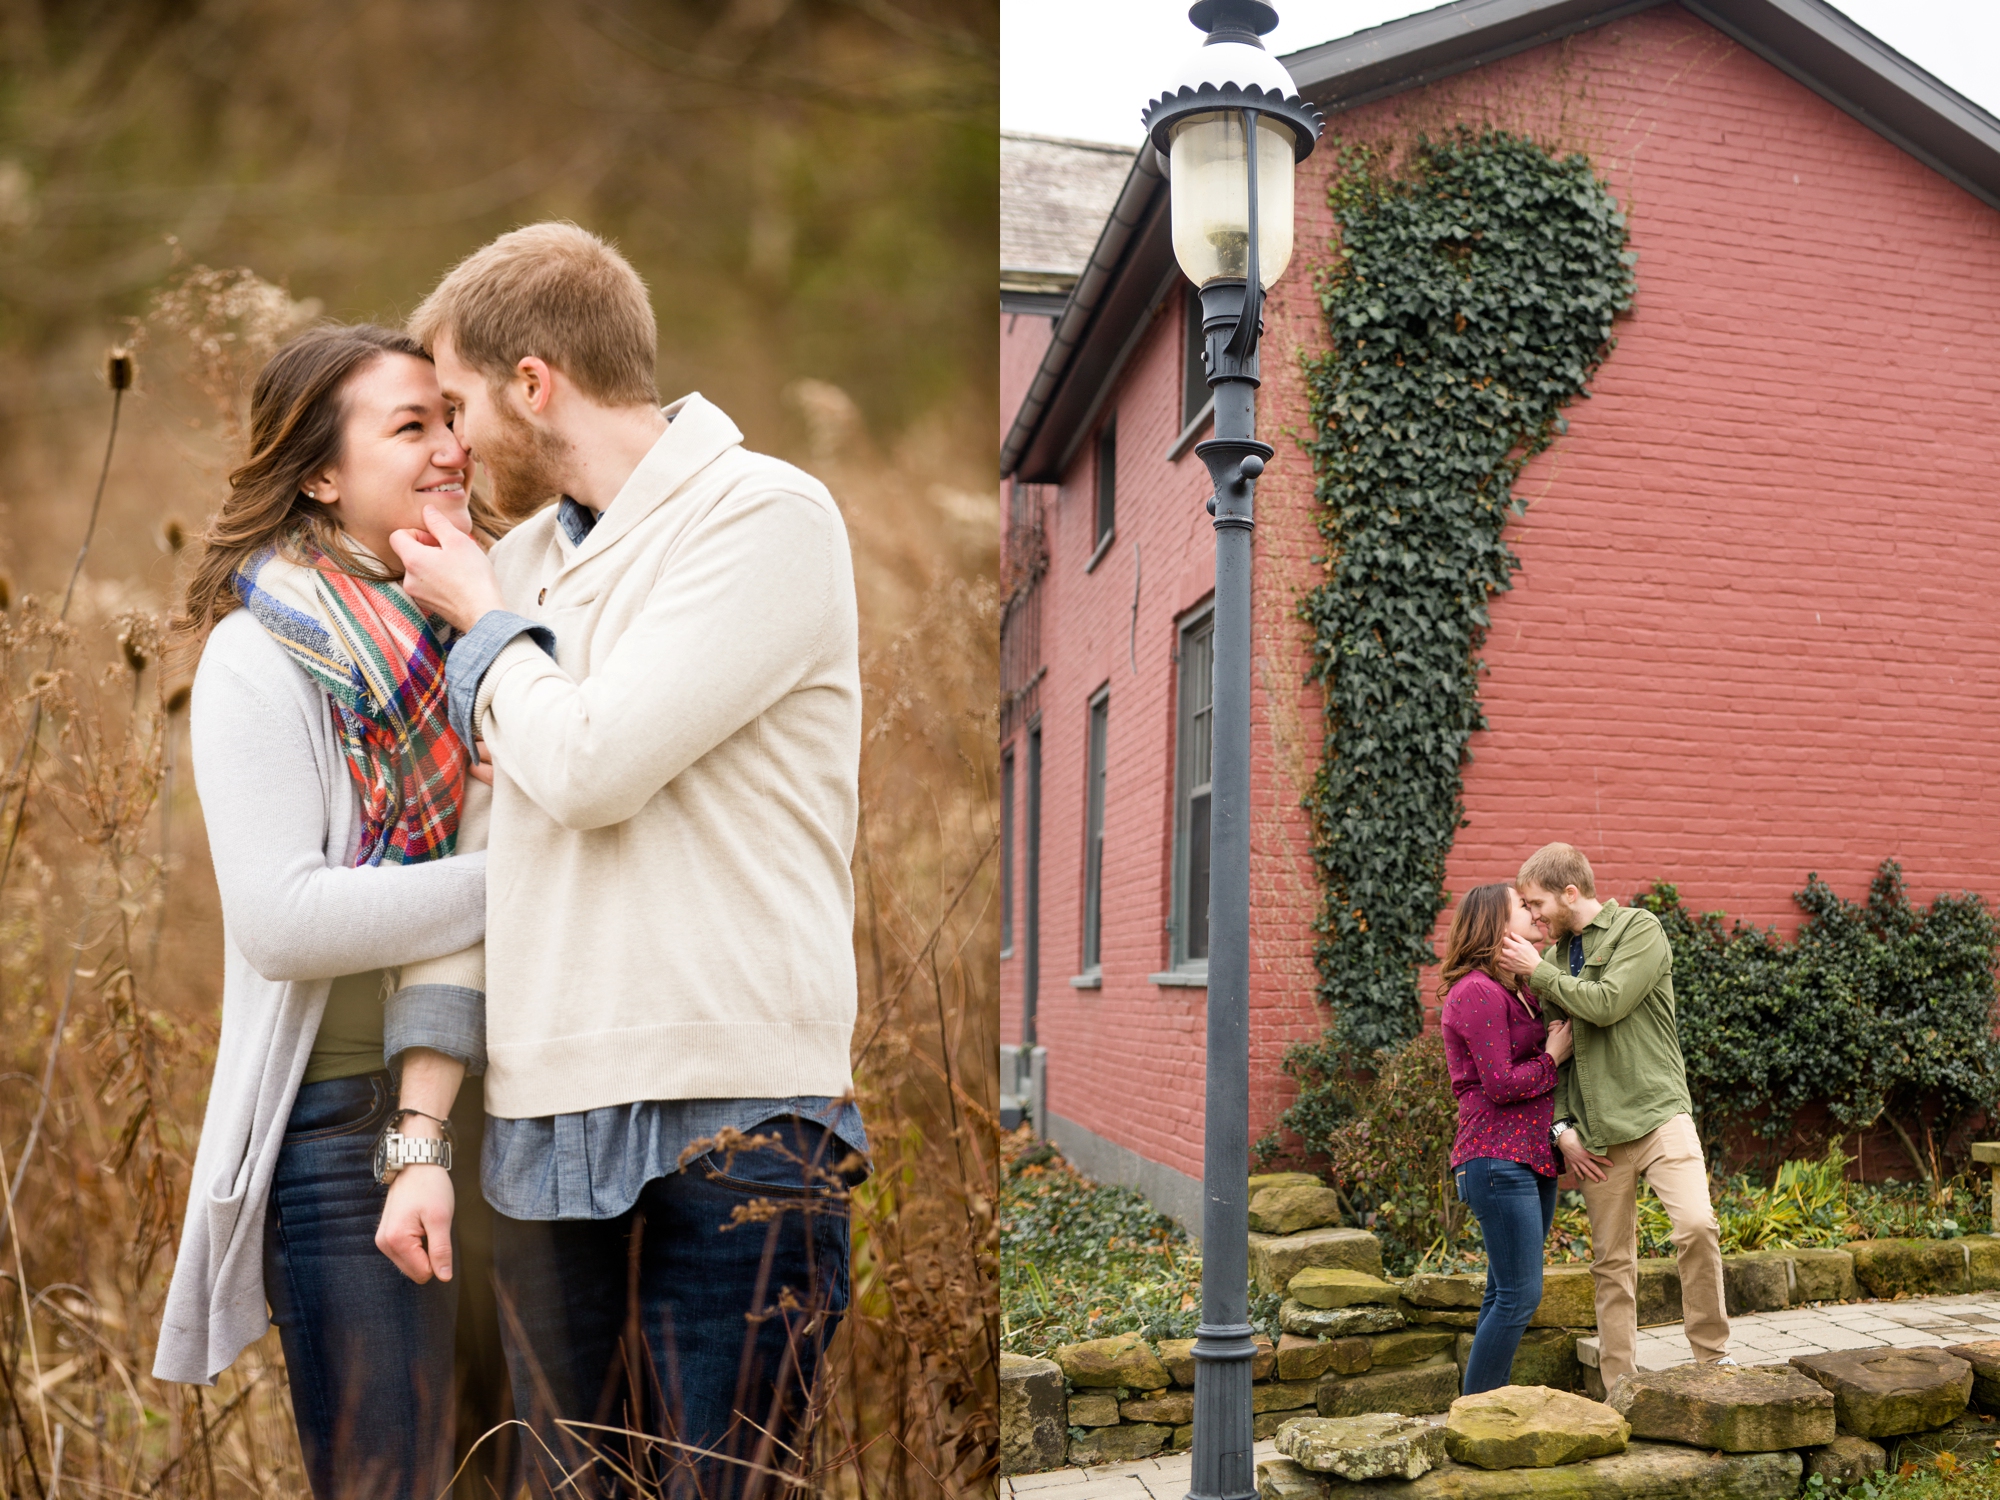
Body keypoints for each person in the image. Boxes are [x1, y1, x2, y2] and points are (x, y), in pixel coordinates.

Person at [387, 222, 867, 1498]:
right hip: (545, 1133)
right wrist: (419, 1134)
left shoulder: (764, 515)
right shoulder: (522, 568)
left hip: (738, 1114)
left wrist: (497, 648)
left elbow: (592, 766)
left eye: (457, 407)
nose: (449, 448)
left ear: (532, 383)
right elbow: (478, 871)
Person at [153, 325, 515, 1499]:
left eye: (451, 418)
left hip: (514, 1107)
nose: (449, 446)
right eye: (409, 427)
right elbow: (284, 921)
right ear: (320, 472)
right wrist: (537, 882)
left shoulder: (486, 625)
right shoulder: (260, 656)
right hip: (347, 1138)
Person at [1497, 841, 1733, 1388]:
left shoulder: (1639, 930)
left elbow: (1607, 1002)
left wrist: (1537, 973)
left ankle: (1714, 1362)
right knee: (1611, 1265)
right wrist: (1562, 1130)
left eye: (1536, 904)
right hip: (1596, 1134)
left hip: (1658, 1114)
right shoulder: (1551, 961)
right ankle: (1620, 1387)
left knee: (1697, 1226)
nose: (1531, 917)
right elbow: (1551, 1056)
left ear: (1570, 893)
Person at [1439, 882, 1573, 1394]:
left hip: (1529, 1160)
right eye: (1523, 906)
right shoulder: (1476, 990)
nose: (1534, 913)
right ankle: (1476, 1414)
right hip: (1495, 1160)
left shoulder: (1516, 988)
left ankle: (1481, 1409)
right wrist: (1552, 1057)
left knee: (1504, 1293)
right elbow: (1499, 1084)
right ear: (1495, 925)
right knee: (1519, 1296)